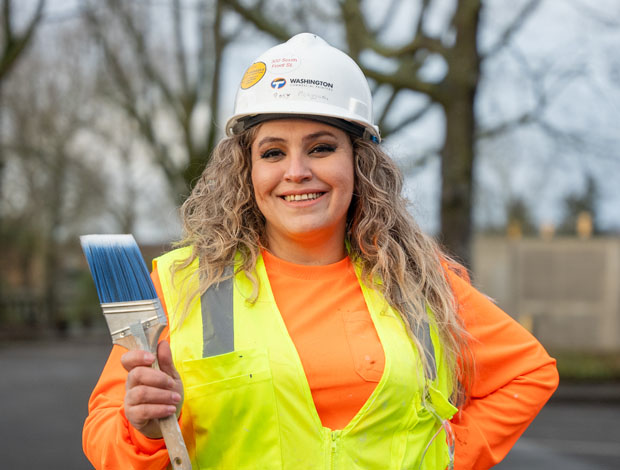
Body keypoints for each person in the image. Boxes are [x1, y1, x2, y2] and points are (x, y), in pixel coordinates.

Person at [83, 33, 559, 470]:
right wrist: (143, 432)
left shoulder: (417, 278)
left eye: (321, 147)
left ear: (359, 163)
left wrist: (448, 456)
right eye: (272, 152)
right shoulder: (185, 286)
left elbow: (528, 372)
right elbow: (105, 439)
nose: (296, 171)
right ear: (245, 171)